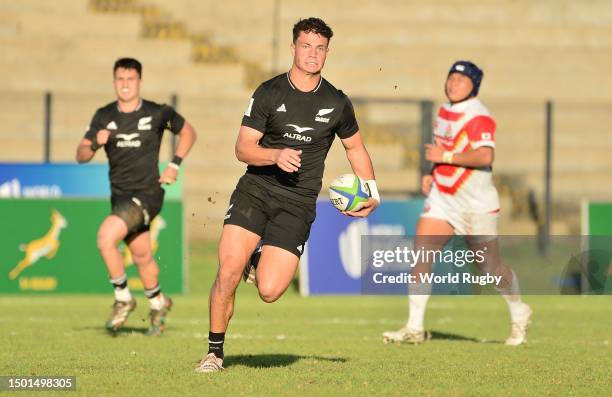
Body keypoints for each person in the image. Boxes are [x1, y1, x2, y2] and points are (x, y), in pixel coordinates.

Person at [195, 17, 380, 373]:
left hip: (297, 203)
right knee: (228, 271)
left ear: (327, 52)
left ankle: (258, 257)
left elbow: (355, 148)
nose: (313, 54)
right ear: (293, 47)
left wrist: (370, 192)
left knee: (270, 290)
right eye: (306, 46)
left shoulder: (337, 102)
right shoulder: (269, 92)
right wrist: (275, 155)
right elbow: (243, 148)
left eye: (320, 48)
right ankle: (214, 353)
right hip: (257, 190)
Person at [382, 61, 532, 346]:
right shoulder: (445, 110)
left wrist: (445, 158)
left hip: (474, 204)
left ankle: (519, 312)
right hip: (443, 198)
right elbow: (445, 151)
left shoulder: (478, 115)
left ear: (473, 86)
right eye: (451, 78)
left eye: (461, 80)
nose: (453, 84)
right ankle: (414, 327)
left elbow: (485, 156)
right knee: (421, 254)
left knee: (489, 268)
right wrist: (432, 173)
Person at [76, 57, 197, 335]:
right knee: (141, 256)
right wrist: (95, 142)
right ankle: (158, 302)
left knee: (105, 238)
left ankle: (123, 299)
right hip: (120, 198)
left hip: (148, 193)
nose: (125, 84)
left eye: (130, 79)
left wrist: (174, 163)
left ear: (139, 82)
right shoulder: (103, 116)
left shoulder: (157, 112)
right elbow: (81, 154)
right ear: (114, 81)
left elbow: (188, 132)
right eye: (120, 79)